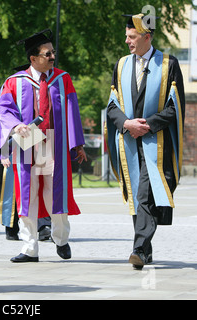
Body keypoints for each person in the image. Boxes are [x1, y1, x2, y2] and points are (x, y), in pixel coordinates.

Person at [0, 29, 86, 262]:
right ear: (33, 58)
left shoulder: (62, 79)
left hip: (53, 144)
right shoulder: (14, 82)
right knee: (27, 196)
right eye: (48, 54)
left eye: (53, 52)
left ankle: (61, 239)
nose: (52, 57)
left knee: (54, 193)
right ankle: (29, 248)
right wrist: (16, 126)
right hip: (27, 143)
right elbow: (4, 111)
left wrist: (77, 144)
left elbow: (72, 111)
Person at [106, 13, 185, 269]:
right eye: (127, 36)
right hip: (129, 142)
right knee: (136, 197)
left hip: (157, 144)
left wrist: (148, 124)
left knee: (145, 194)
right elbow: (112, 106)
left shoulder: (168, 64)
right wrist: (127, 123)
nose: (127, 41)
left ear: (146, 36)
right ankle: (145, 251)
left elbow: (176, 107)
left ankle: (138, 248)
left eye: (132, 36)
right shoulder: (121, 65)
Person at [0, 106, 52, 241]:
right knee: (10, 184)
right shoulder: (9, 87)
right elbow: (1, 114)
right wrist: (4, 148)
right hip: (13, 132)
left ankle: (43, 224)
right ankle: (11, 225)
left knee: (40, 179)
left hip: (35, 129)